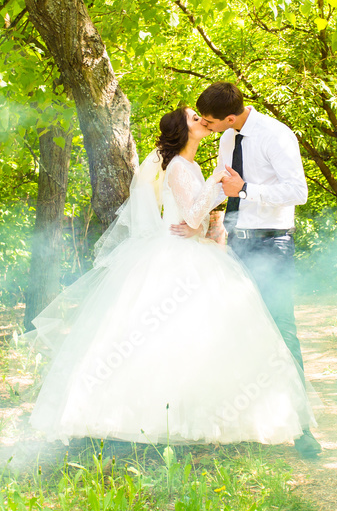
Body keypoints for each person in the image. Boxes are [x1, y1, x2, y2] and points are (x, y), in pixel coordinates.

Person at [26, 106, 316, 449]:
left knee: (204, 339)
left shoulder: (191, 165)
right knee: (168, 337)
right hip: (177, 256)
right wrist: (215, 189)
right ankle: (155, 420)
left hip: (197, 250)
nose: (203, 121)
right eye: (195, 119)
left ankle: (203, 416)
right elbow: (192, 216)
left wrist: (210, 220)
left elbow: (198, 218)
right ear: (184, 130)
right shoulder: (179, 166)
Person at [183, 81, 322, 458]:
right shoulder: (228, 139)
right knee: (239, 330)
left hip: (271, 241)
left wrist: (247, 191)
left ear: (230, 116)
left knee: (281, 328)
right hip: (236, 242)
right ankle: (246, 424)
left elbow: (299, 191)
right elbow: (220, 186)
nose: (207, 127)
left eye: (211, 122)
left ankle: (304, 429)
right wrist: (189, 214)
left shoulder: (276, 135)